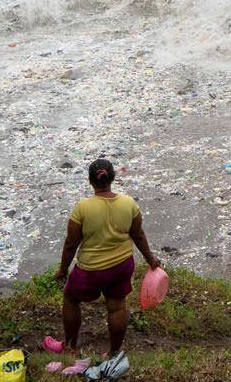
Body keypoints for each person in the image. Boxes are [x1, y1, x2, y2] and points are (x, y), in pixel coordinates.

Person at [43, 158, 161, 379]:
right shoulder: (129, 204)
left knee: (70, 298)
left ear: (90, 181)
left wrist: (62, 270)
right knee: (117, 307)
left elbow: (71, 244)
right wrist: (151, 258)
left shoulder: (83, 208)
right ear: (113, 177)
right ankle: (114, 351)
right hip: (122, 265)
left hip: (91, 269)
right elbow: (138, 235)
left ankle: (70, 347)